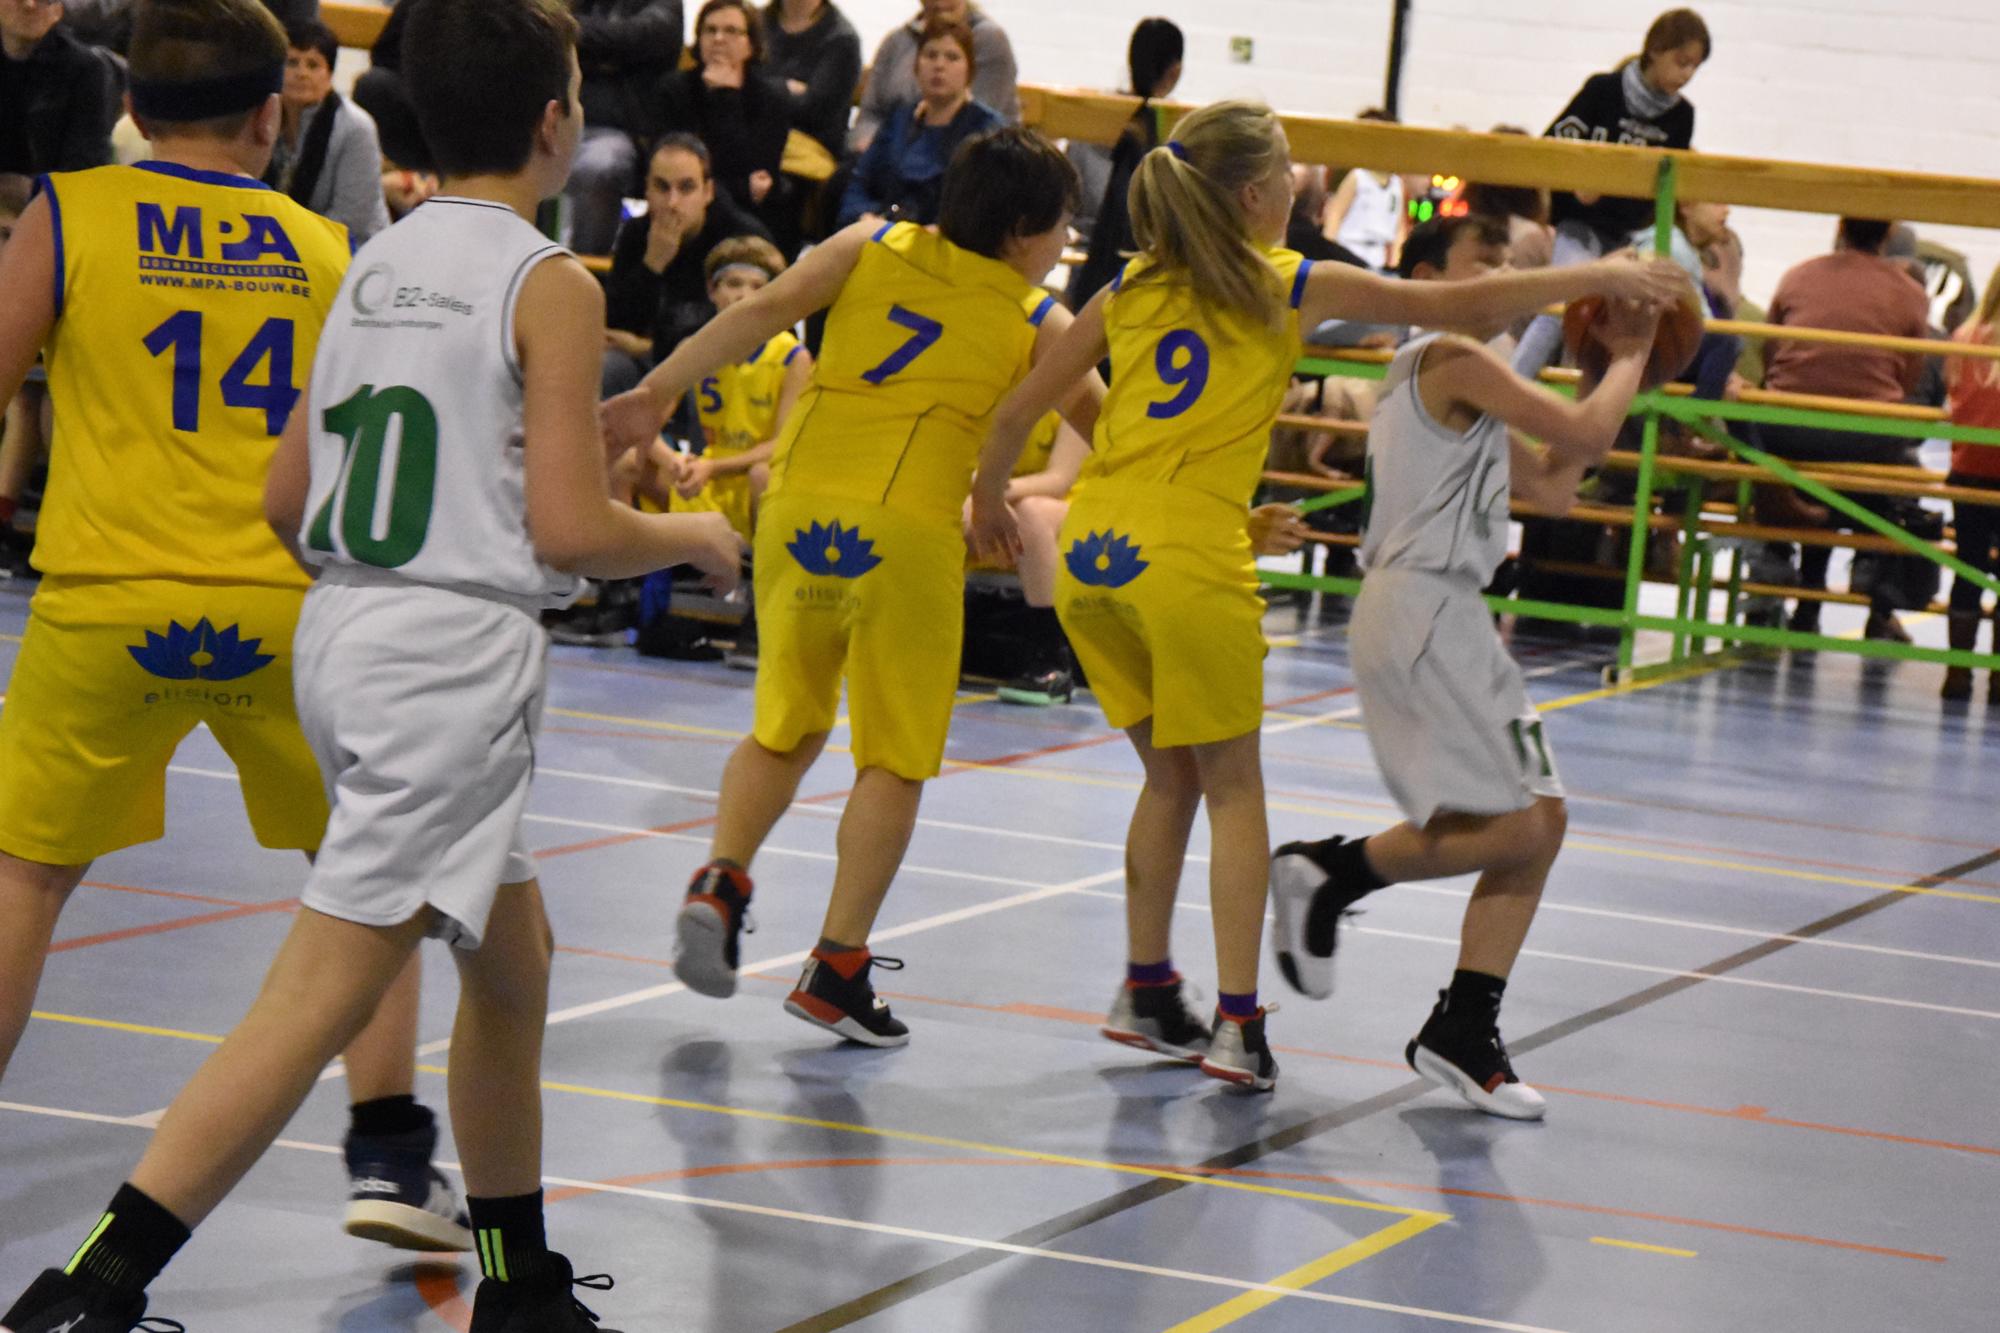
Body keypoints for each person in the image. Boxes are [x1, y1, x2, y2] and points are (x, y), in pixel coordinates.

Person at [1, 0, 742, 1328]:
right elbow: (569, 530)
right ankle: (92, 1287)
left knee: (514, 957)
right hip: (446, 662)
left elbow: (289, 495)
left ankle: (518, 1280)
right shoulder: (543, 281)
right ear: (556, 126)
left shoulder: (375, 262)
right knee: (317, 993)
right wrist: (695, 536)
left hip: (342, 631)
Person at [969, 103, 1686, 1094]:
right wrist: (1597, 274)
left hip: (1097, 549)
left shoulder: (1132, 285)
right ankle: (1236, 1025)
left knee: (1167, 781)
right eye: (1287, 175)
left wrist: (987, 501)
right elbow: (1452, 302)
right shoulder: (1282, 279)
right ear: (1256, 195)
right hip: (1187, 556)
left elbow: (1018, 409)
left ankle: (1146, 988)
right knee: (1233, 791)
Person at [0, 0, 488, 1269]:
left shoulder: (70, 213)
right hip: (289, 610)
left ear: (128, 108)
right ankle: (389, 1152)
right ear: (276, 116)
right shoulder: (329, 246)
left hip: (106, 600)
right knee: (364, 881)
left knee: (25, 878)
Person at [601, 126, 1094, 1048]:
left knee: (784, 724)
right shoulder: (1038, 315)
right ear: (1025, 232)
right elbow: (1115, 430)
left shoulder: (869, 240)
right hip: (909, 523)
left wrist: (653, 393)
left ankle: (721, 879)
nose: (1066, 243)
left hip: (798, 508)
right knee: (893, 756)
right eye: (1063, 226)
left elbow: (762, 312)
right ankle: (837, 964)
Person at [1265, 215, 1665, 1120]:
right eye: (1484, 262)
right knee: (1519, 824)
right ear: (1427, 278)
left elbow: (1555, 484)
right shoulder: (1445, 356)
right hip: (1420, 611)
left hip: (1450, 612)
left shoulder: (1463, 380)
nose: (1503, 276)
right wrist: (1632, 355)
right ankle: (1332, 869)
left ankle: (1464, 1023)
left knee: (1542, 821)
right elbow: (1590, 436)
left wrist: (1603, 369)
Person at [1760, 217, 1933, 640]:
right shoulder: (1909, 292)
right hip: (1867, 435)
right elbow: (1909, 377)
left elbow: (1770, 351)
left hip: (1789, 427)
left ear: (1840, 228)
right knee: (1895, 481)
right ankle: (1879, 600)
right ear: (1888, 235)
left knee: (1813, 483)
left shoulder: (1797, 275)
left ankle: (1799, 593)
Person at [1513, 7, 1710, 377]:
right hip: (1582, 221)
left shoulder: (1681, 116)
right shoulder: (1603, 91)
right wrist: (1579, 181)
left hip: (1630, 230)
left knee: (1629, 318)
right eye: (1681, 62)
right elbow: (1553, 144)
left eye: (1694, 68)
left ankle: (1600, 400)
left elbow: (1668, 179)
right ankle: (1508, 386)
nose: (1686, 75)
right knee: (1559, 306)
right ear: (1655, 50)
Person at [601, 131, 775, 397]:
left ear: (708, 192)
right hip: (651, 367)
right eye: (662, 187)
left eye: (686, 188)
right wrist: (652, 264)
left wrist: (646, 348)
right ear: (646, 189)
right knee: (608, 367)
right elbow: (615, 328)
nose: (673, 203)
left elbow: (743, 337)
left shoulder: (743, 241)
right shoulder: (637, 234)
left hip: (722, 372)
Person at [836, 19, 998, 229]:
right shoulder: (900, 118)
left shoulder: (986, 131)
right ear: (916, 67)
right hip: (880, 228)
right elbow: (861, 180)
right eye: (930, 55)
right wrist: (862, 215)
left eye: (952, 57)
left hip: (941, 238)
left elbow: (982, 207)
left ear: (970, 71)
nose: (939, 66)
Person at [1067, 15, 1182, 308]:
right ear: (1175, 71)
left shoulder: (1092, 119)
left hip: (1088, 272)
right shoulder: (1176, 136)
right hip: (1140, 276)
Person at [562, 0, 687, 255]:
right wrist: (611, 52)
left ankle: (585, 266)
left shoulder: (665, 5)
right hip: (561, 121)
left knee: (599, 167)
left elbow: (637, 38)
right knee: (507, 153)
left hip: (621, 131)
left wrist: (573, 35)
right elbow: (543, 31)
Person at [656, 0, 790, 218]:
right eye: (710, 30)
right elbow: (674, 166)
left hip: (749, 215)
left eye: (731, 31)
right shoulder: (674, 89)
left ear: (751, 44)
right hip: (680, 206)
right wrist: (742, 188)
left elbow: (762, 177)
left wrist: (726, 98)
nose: (718, 39)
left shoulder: (770, 98)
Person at [267, 19, 393, 245]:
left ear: (330, 76)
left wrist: (280, 241)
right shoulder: (263, 118)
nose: (301, 73)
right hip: (284, 243)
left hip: (354, 247)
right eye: (292, 62)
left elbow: (352, 221)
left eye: (313, 65)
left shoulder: (357, 128)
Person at [1941, 265, 2000, 702]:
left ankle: (1957, 673)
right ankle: (1999, 678)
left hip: (1969, 470)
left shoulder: (1964, 337)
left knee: (1969, 565)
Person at [850, 0, 1015, 153]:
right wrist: (867, 143)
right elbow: (870, 112)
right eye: (931, 55)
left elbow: (976, 129)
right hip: (884, 151)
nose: (940, 3)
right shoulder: (896, 41)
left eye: (952, 57)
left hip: (959, 159)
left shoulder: (988, 39)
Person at [0, 0, 122, 176]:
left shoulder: (84, 69)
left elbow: (87, 164)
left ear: (59, 8)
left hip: (51, 190)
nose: (29, 4)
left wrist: (37, 188)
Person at [1319, 109, 1409, 272]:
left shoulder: (1397, 184)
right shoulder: (1357, 177)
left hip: (1377, 257)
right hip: (1349, 251)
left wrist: (1396, 263)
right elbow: (1335, 216)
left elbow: (1399, 229)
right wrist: (1328, 256)